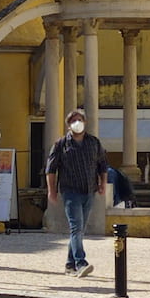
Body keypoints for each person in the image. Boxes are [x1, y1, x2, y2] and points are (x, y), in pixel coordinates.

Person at [45, 107, 107, 276]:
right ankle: (81, 262)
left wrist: (103, 183)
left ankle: (69, 264)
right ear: (68, 125)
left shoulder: (93, 142)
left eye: (79, 120)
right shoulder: (60, 144)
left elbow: (102, 164)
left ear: (85, 123)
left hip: (89, 191)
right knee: (76, 227)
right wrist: (52, 191)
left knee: (79, 230)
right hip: (70, 192)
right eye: (73, 120)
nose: (77, 123)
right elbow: (51, 169)